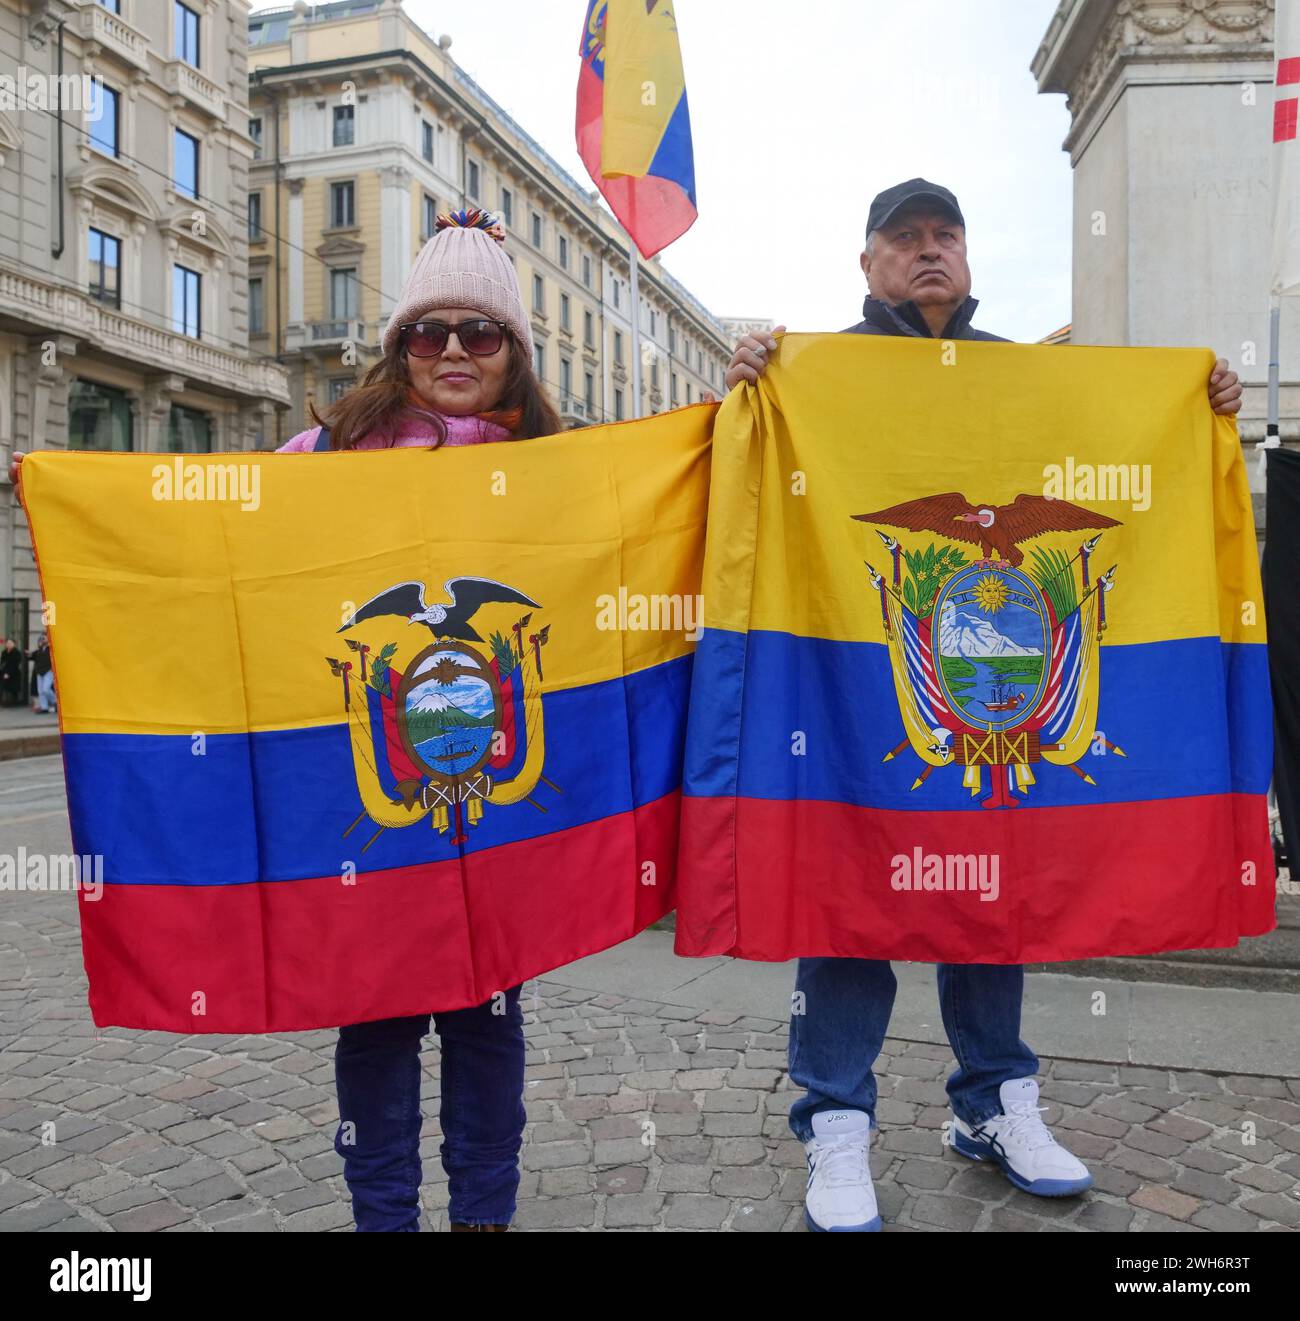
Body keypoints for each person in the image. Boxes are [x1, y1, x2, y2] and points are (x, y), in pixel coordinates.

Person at [723, 178, 1244, 1234]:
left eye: (944, 237)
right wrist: (744, 383)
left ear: (967, 257)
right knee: (845, 891)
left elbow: (1123, 455)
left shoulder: (1022, 378)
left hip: (995, 685)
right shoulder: (816, 371)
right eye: (903, 239)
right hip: (855, 677)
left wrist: (1201, 406)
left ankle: (995, 1105)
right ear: (866, 262)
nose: (927, 253)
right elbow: (745, 474)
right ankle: (834, 1120)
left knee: (991, 892)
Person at [27, 635, 54, 714]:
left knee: (46, 689)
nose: (42, 640)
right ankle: (44, 707)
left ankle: (55, 701)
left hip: (48, 671)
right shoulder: (39, 650)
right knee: (41, 691)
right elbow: (31, 657)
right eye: (41, 639)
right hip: (39, 672)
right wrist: (29, 654)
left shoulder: (50, 649)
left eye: (44, 639)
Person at [0, 639, 21, 706]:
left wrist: (9, 673)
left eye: (10, 643)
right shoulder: (4, 652)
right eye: (7, 643)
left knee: (13, 689)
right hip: (4, 672)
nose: (8, 644)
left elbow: (15, 664)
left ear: (14, 644)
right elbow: (2, 662)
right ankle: (4, 702)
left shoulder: (17, 653)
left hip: (13, 673)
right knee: (3, 687)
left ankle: (13, 702)